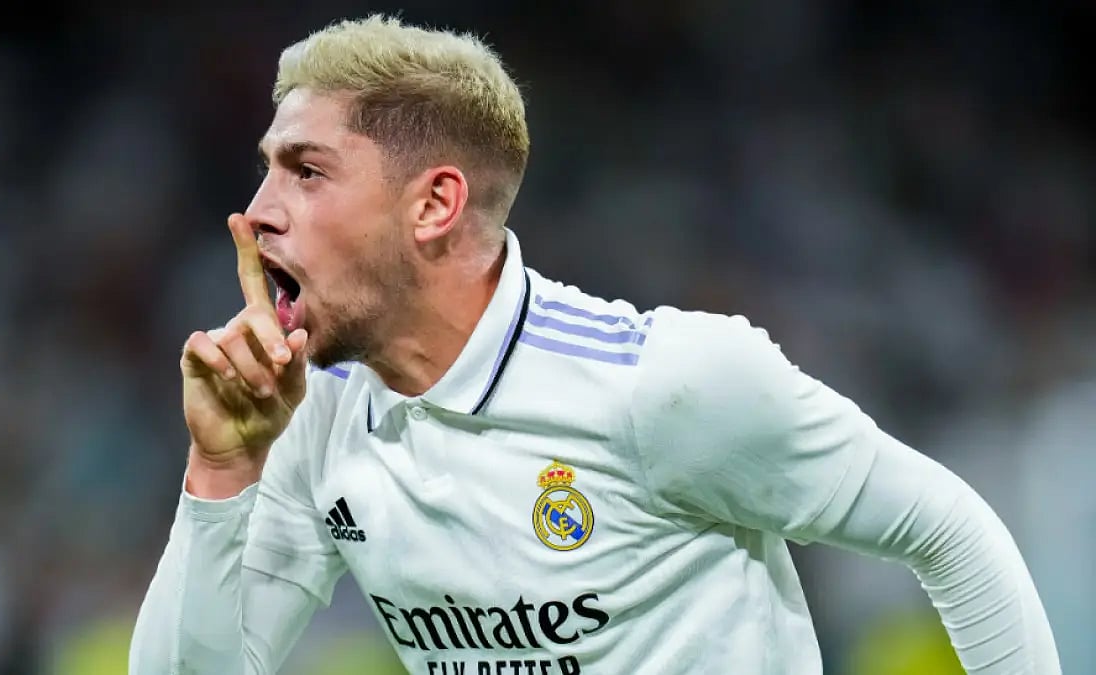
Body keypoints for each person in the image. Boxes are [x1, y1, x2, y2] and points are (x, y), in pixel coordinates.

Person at [129, 15, 1060, 675]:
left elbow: (947, 528)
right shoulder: (316, 418)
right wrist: (222, 467)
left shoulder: (667, 384)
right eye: (265, 169)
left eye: (306, 169)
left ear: (435, 205)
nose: (256, 211)